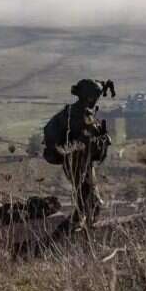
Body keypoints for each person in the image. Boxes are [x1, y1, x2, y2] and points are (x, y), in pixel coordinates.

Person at [44, 79, 112, 235]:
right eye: (95, 96)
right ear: (88, 96)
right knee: (88, 198)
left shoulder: (73, 112)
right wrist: (101, 139)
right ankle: (71, 230)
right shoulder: (79, 115)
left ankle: (79, 227)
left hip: (78, 161)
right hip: (77, 161)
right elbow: (86, 141)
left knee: (89, 198)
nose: (96, 99)